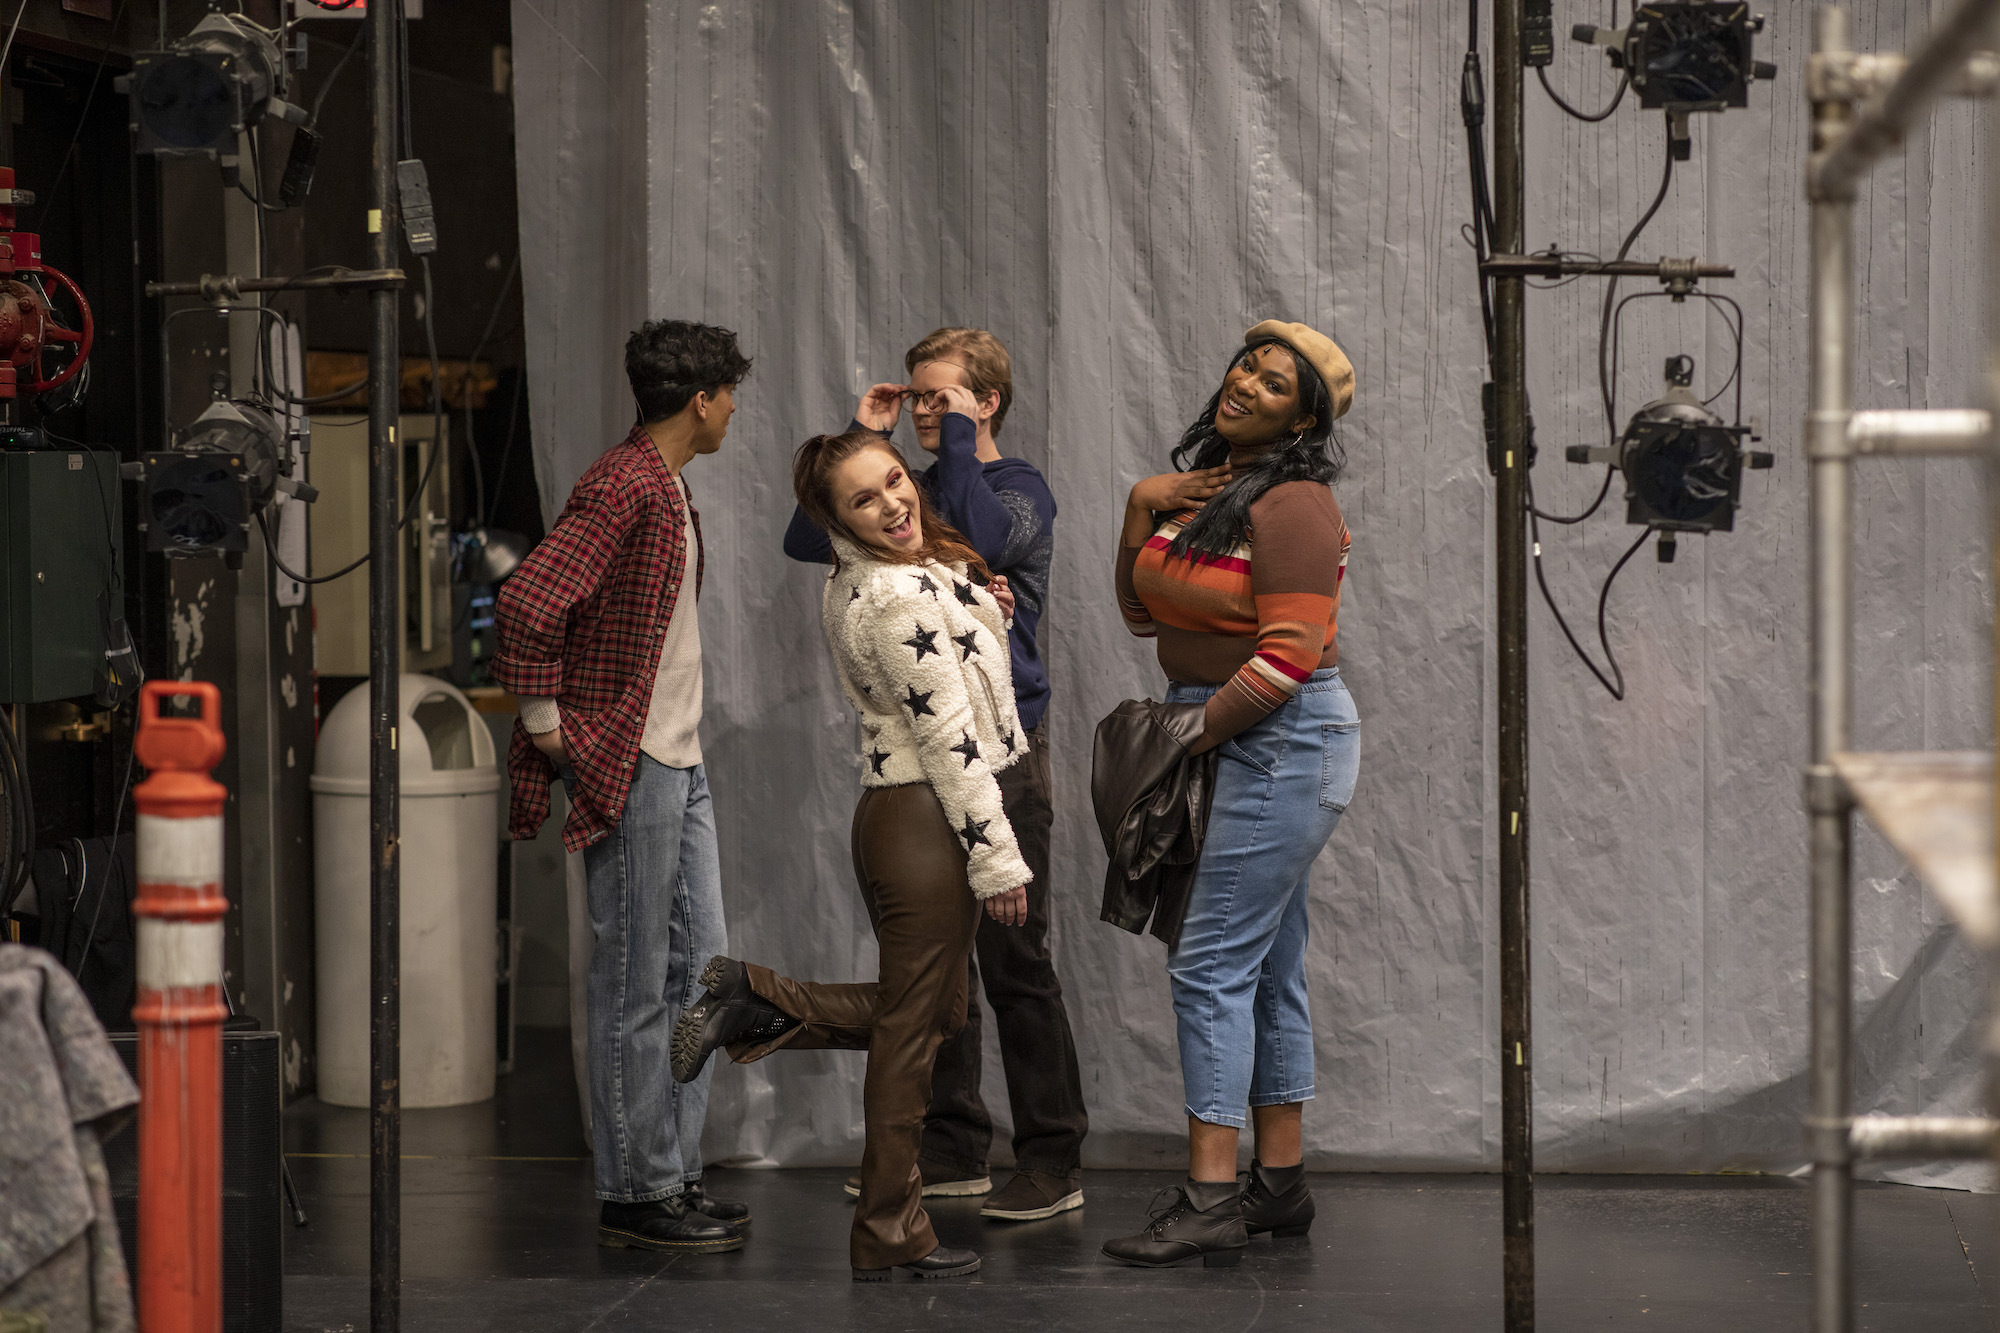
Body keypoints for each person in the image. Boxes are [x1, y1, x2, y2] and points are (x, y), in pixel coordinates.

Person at [672, 403, 1033, 1281]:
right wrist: (996, 858)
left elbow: (957, 637)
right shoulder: (892, 593)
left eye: (896, 482)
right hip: (928, 819)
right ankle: (888, 1225)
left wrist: (984, 603)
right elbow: (949, 732)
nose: (894, 505)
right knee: (915, 1033)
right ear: (838, 524)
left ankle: (752, 996)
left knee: (933, 1015)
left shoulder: (896, 575)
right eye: (866, 502)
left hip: (906, 814)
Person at [783, 328, 1087, 1222]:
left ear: (986, 403)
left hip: (1004, 752)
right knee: (940, 974)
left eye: (941, 397)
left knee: (1015, 961)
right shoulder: (897, 497)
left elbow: (981, 531)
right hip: (928, 760)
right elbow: (814, 537)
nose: (922, 411)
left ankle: (1052, 1156)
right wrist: (856, 431)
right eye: (914, 397)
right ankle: (953, 1146)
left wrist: (957, 442)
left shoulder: (1014, 486)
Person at [1100, 320, 1361, 1270]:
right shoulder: (1208, 492)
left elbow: (1289, 656)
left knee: (1208, 964)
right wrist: (1140, 503)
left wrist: (1185, 738)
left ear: (1302, 419)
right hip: (1228, 730)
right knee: (1267, 964)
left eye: (1276, 381)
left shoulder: (1292, 503)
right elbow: (1141, 612)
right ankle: (1278, 1186)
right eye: (1247, 363)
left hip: (1279, 738)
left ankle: (1212, 1195)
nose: (1247, 381)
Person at [491, 319, 753, 1255]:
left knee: (700, 971)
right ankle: (637, 1190)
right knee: (637, 975)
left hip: (676, 757)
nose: (733, 411)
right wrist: (547, 727)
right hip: (635, 758)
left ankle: (671, 1171)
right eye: (729, 395)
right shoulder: (626, 484)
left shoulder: (665, 485)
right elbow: (527, 602)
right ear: (701, 400)